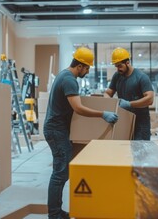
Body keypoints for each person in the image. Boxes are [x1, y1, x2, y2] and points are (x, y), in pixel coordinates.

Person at [43, 47, 118, 219]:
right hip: (56, 130)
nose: (88, 71)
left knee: (62, 172)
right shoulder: (70, 79)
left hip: (58, 129)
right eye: (87, 68)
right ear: (81, 66)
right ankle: (54, 214)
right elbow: (78, 108)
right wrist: (102, 114)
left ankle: (57, 211)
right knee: (60, 173)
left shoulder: (64, 75)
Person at [104, 47, 154, 140]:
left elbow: (150, 99)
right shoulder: (117, 76)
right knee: (124, 150)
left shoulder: (141, 77)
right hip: (123, 120)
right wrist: (110, 103)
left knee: (140, 150)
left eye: (120, 66)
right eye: (116, 66)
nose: (118, 69)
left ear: (127, 62)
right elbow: (107, 93)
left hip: (140, 123)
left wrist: (129, 104)